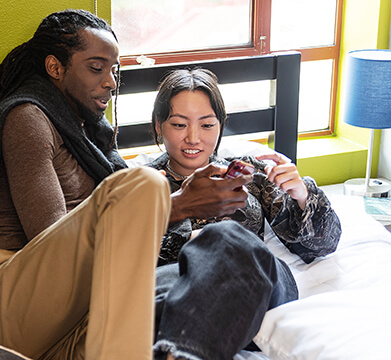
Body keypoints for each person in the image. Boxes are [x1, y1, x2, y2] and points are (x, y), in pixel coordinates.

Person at [0, 9, 251, 360]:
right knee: (144, 183)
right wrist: (175, 205)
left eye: (114, 69)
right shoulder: (27, 119)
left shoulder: (90, 134)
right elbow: (53, 243)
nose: (111, 81)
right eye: (96, 67)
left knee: (231, 257)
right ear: (55, 68)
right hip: (8, 310)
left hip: (76, 321)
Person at [146, 68, 342, 359]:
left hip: (257, 284)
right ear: (159, 125)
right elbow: (124, 256)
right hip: (181, 285)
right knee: (152, 296)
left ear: (221, 125)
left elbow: (321, 246)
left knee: (224, 236)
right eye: (178, 124)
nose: (193, 138)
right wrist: (189, 240)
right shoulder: (142, 184)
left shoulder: (250, 173)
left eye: (207, 125)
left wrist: (302, 195)